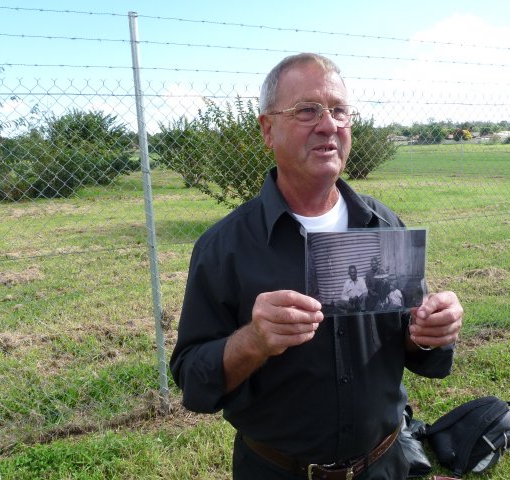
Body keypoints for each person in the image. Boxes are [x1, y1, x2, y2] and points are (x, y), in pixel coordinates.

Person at [170, 53, 463, 480]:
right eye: (307, 110)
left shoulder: (383, 225)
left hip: (384, 465)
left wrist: (431, 333)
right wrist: (253, 341)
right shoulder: (224, 248)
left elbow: (413, 347)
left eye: (340, 111)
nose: (329, 125)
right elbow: (193, 382)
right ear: (267, 129)